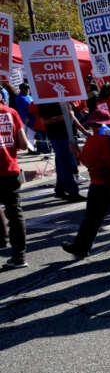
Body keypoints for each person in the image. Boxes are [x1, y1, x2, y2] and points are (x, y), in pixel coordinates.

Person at [61, 113, 110, 259]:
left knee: (92, 218)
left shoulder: (96, 139)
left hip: (101, 183)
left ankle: (81, 247)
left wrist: (77, 153)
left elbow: (88, 161)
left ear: (94, 125)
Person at [0, 98, 31, 269]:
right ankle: (19, 256)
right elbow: (24, 144)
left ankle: (2, 238)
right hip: (10, 169)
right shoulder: (11, 112)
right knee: (15, 213)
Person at [39, 101, 85, 202]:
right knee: (65, 164)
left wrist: (83, 130)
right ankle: (72, 191)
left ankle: (60, 190)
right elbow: (43, 121)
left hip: (69, 136)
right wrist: (63, 117)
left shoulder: (64, 99)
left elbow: (71, 116)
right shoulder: (45, 102)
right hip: (58, 137)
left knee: (61, 164)